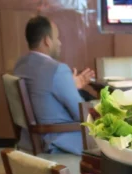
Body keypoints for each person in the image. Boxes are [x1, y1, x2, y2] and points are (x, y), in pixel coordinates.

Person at [12, 15, 96, 154]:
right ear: (47, 41)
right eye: (57, 38)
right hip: (58, 141)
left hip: (30, 138)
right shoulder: (57, 70)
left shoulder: (20, 65)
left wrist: (70, 86)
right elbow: (82, 114)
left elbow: (42, 93)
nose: (60, 43)